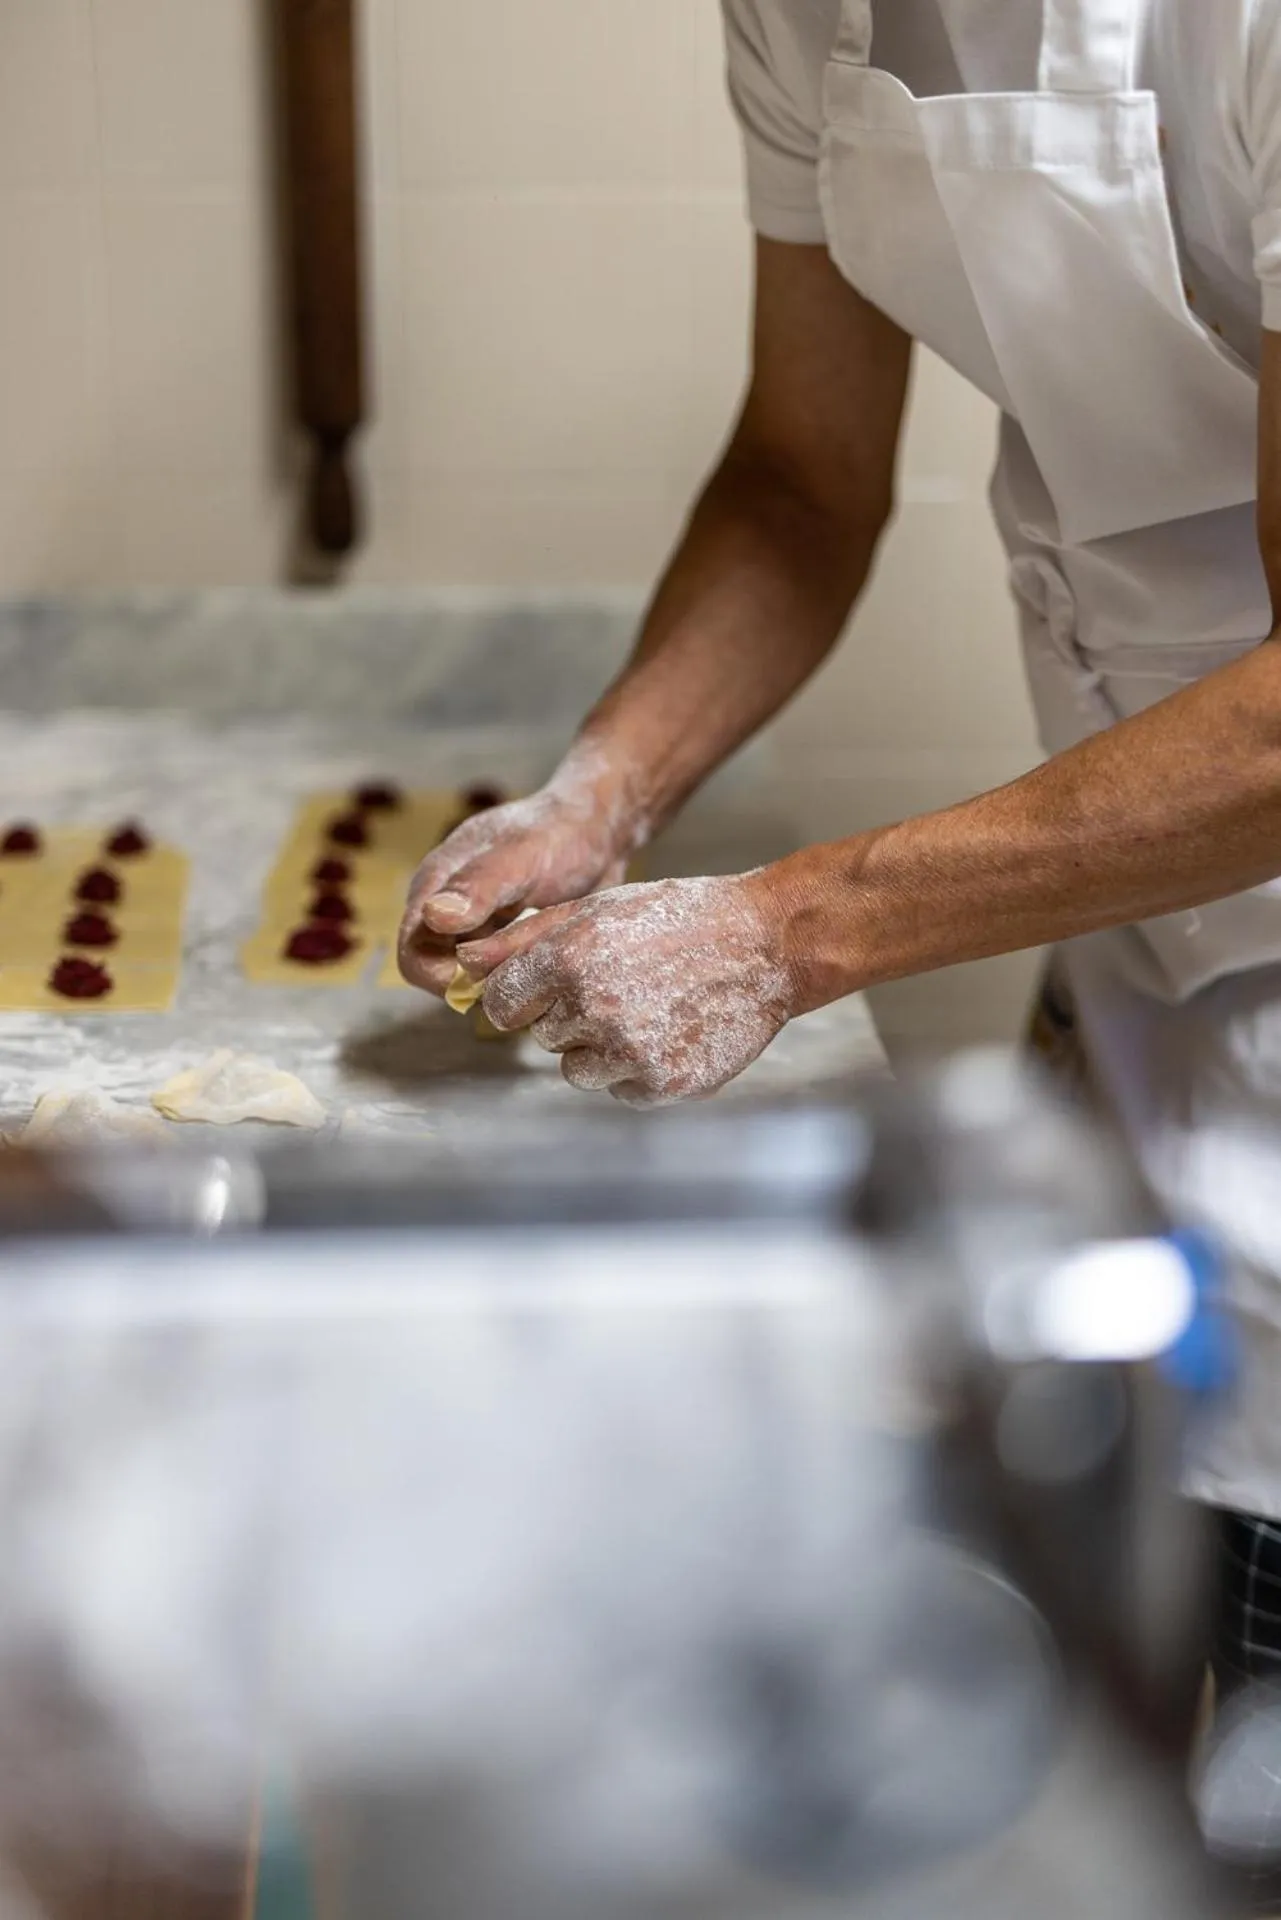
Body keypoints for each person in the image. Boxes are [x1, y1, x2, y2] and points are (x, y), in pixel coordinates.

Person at [398, 5, 1281, 1871]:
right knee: (1103, 1749)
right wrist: (602, 789)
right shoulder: (803, 13)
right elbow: (803, 472)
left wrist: (781, 930)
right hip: (1134, 939)